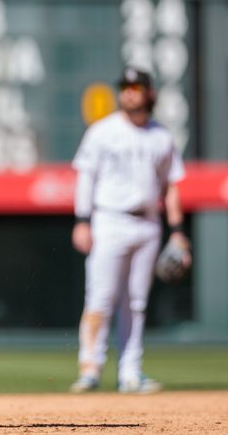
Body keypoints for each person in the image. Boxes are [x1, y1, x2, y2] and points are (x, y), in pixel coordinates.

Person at [69, 67, 191, 394]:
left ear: (149, 93)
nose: (129, 92)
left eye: (136, 86)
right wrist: (83, 221)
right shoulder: (102, 131)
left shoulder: (162, 137)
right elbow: (85, 177)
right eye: (124, 86)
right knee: (101, 296)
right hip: (109, 219)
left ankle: (130, 373)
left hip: (148, 223)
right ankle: (90, 369)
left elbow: (171, 187)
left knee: (136, 302)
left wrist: (177, 231)